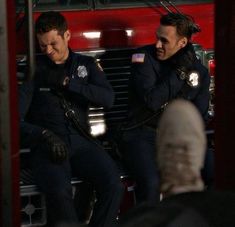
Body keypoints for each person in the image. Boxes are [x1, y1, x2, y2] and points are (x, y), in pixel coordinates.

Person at [19, 11, 124, 227]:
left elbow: (109, 99)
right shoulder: (34, 70)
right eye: (42, 45)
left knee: (113, 184)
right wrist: (43, 135)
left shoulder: (86, 64)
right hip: (49, 146)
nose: (48, 50)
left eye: (53, 43)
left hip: (82, 142)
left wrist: (69, 83)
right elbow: (15, 120)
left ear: (67, 35)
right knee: (60, 193)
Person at [120, 12, 210, 205]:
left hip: (178, 138)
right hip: (142, 135)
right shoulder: (142, 58)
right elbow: (152, 100)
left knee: (217, 170)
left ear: (182, 43)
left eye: (164, 40)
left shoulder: (199, 71)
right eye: (157, 38)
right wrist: (179, 73)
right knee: (152, 183)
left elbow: (199, 115)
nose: (158, 45)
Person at [118, 99, 235, 227]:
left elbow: (201, 107)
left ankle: (177, 192)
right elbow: (151, 99)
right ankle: (187, 188)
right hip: (142, 130)